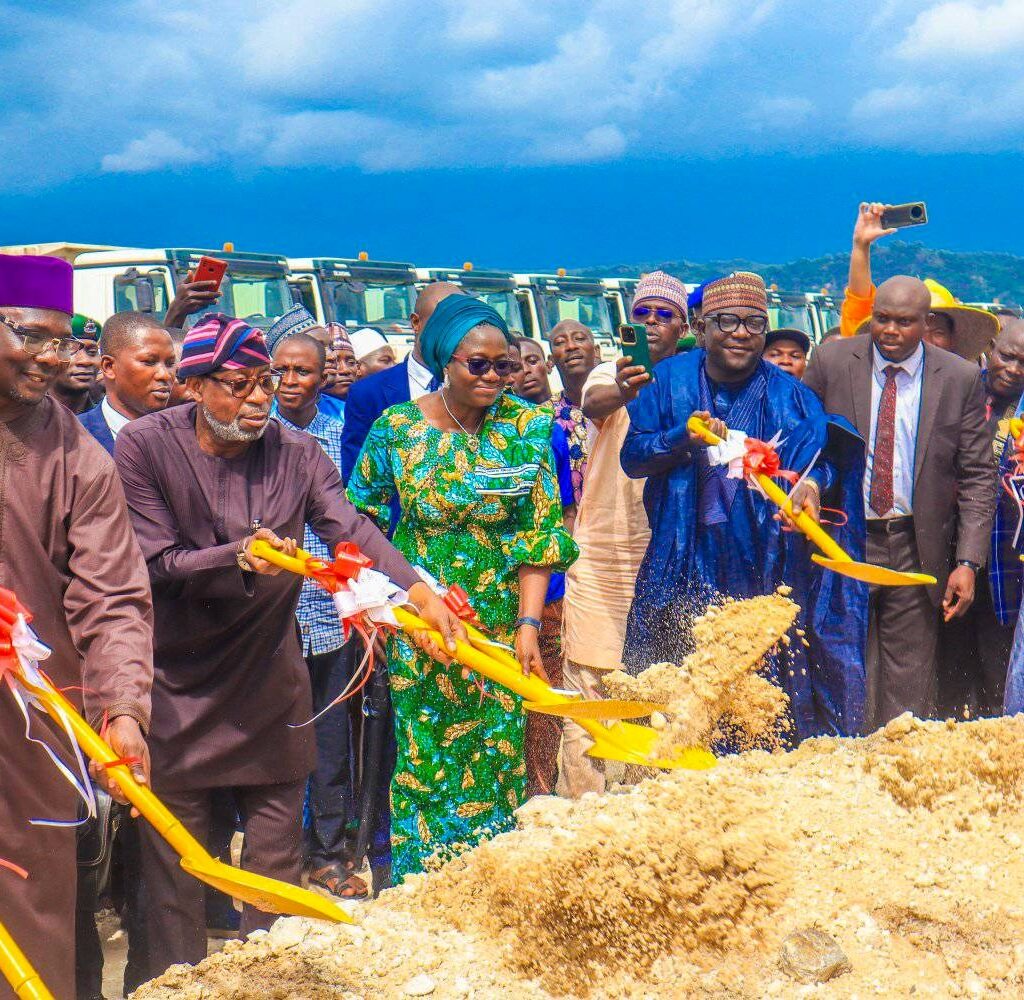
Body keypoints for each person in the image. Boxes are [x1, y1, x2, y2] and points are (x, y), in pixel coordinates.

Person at [114, 313, 463, 976]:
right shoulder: (144, 446)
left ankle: (268, 985)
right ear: (193, 388)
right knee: (175, 877)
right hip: (179, 683)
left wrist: (419, 592)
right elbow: (154, 560)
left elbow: (349, 527)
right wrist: (237, 556)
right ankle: (174, 989)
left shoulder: (297, 453)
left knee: (274, 869)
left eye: (264, 384)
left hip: (271, 682)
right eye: (237, 385)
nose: (257, 401)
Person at [348, 294, 577, 879]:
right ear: (446, 360)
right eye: (480, 364)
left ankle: (489, 890)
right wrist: (391, 608)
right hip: (422, 621)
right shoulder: (396, 429)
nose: (496, 376)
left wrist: (527, 624)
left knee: (499, 758)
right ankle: (423, 892)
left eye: (505, 365)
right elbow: (360, 526)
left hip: (498, 626)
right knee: (424, 761)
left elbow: (538, 534)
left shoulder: (528, 427)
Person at [621, 272, 867, 741]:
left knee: (761, 704)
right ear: (700, 323)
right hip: (682, 560)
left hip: (764, 568)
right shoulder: (667, 380)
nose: (740, 333)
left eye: (754, 323)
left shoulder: (791, 395)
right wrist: (682, 438)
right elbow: (634, 458)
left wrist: (812, 485)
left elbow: (828, 456)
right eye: (727, 321)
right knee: (673, 690)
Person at [0, 254, 153, 999]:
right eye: (31, 335)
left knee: (36, 906)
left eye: (63, 341)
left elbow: (114, 593)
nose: (52, 358)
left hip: (30, 728)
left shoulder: (77, 456)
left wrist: (123, 708)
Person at [804, 276, 996, 729]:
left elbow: (977, 476)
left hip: (916, 545)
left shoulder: (960, 377)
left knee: (908, 682)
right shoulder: (832, 361)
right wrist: (806, 484)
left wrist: (967, 561)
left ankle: (896, 771)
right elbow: (803, 441)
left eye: (904, 322)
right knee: (842, 665)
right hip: (841, 539)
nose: (890, 331)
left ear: (925, 323)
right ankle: (842, 771)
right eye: (881, 318)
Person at [557, 271, 685, 797]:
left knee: (659, 692)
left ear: (684, 326)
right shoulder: (608, 374)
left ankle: (646, 812)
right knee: (589, 692)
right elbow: (595, 404)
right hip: (603, 555)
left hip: (666, 555)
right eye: (642, 314)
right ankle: (582, 814)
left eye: (664, 315)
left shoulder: (693, 379)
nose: (651, 323)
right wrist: (627, 387)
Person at [270, 328, 367, 899]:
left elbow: (352, 523)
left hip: (330, 612)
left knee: (330, 741)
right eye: (279, 370)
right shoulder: (254, 434)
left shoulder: (340, 434)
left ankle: (327, 855)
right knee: (277, 739)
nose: (288, 382)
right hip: (271, 615)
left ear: (321, 375)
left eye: (301, 372)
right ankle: (277, 858)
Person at [942, 318, 1024, 717]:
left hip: (1003, 560)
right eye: (1007, 356)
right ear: (990, 348)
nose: (1013, 369)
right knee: (947, 653)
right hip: (942, 546)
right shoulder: (956, 388)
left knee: (998, 657)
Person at [840, 202, 999, 359]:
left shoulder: (961, 383)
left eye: (938, 333)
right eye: (910, 325)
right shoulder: (870, 369)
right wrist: (861, 245)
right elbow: (859, 306)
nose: (926, 341)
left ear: (953, 340)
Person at [341, 283, 463, 485]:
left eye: (458, 325)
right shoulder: (369, 393)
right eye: (441, 323)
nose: (450, 334)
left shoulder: (475, 390)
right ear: (416, 323)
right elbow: (357, 480)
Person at [79, 312, 176, 455]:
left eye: (170, 364)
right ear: (109, 367)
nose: (165, 374)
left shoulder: (186, 438)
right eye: (149, 362)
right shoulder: (72, 437)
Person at [548, 319, 600, 504]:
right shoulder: (544, 415)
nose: (570, 346)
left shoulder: (622, 405)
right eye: (560, 343)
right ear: (551, 360)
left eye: (579, 339)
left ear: (597, 351)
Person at [51, 313, 102, 414]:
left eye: (92, 352)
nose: (85, 361)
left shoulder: (108, 421)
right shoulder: (23, 417)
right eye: (71, 350)